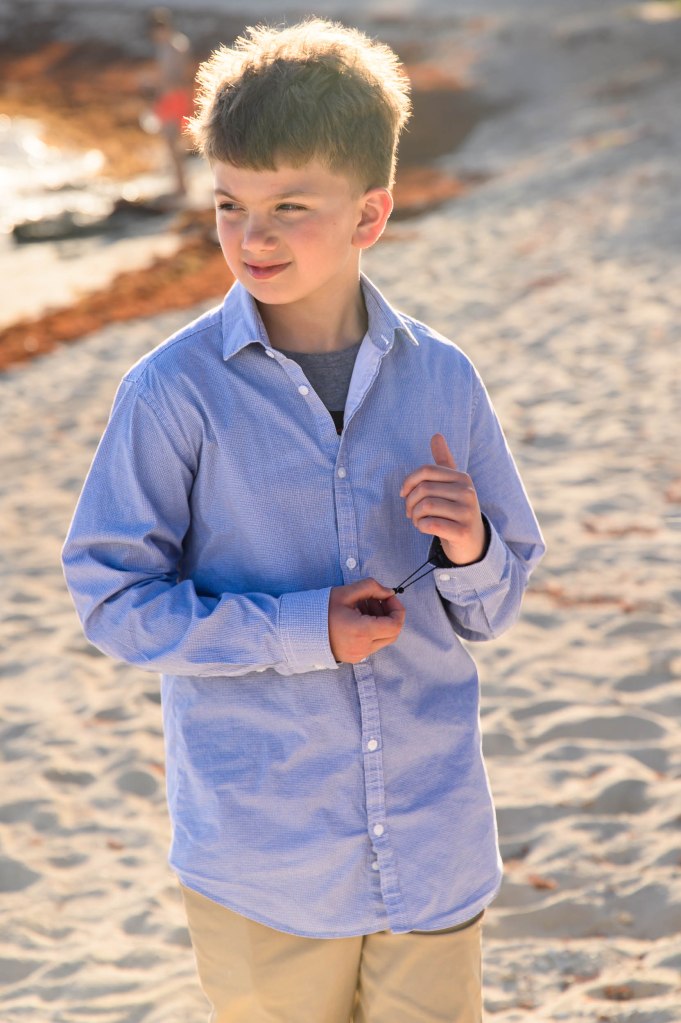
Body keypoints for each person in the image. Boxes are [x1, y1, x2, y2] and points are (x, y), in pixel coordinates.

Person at [62, 18, 545, 1023]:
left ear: (370, 214)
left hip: (433, 841)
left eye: (290, 206)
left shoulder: (443, 379)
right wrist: (299, 628)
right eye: (230, 205)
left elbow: (493, 607)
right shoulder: (171, 394)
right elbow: (112, 601)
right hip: (264, 863)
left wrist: (470, 546)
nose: (254, 237)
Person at [147, 6, 194, 197]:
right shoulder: (167, 46)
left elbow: (179, 77)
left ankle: (182, 186)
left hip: (175, 98)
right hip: (168, 98)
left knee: (173, 142)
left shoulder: (175, 46)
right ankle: (179, 183)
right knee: (170, 142)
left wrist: (159, 84)